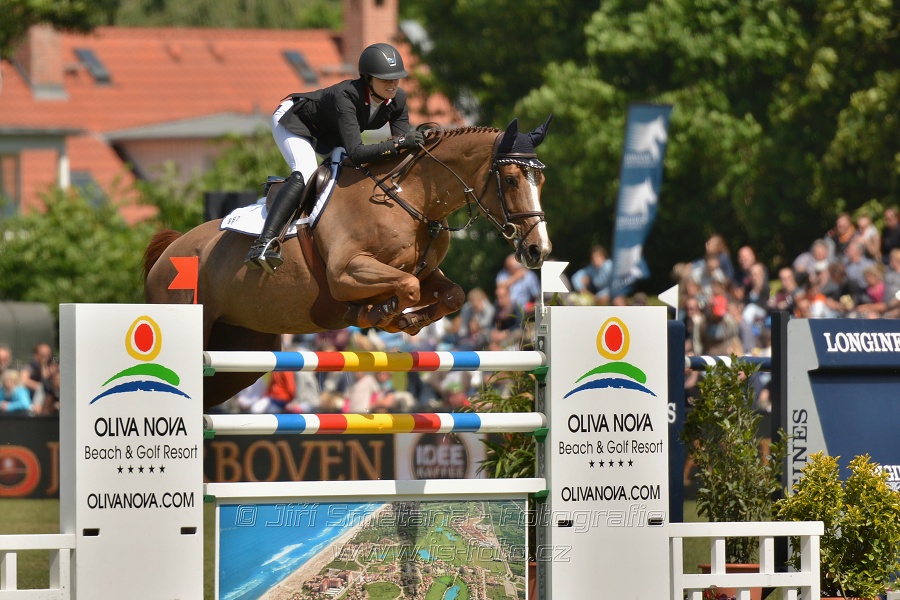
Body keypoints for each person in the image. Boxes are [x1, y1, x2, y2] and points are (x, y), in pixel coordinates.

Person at [245, 42, 422, 272]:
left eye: (396, 78)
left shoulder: (398, 100)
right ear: (368, 78)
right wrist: (399, 143)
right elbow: (360, 152)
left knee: (350, 175)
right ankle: (263, 244)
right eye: (385, 78)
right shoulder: (347, 96)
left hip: (332, 132)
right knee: (307, 172)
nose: (392, 84)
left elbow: (401, 148)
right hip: (295, 122)